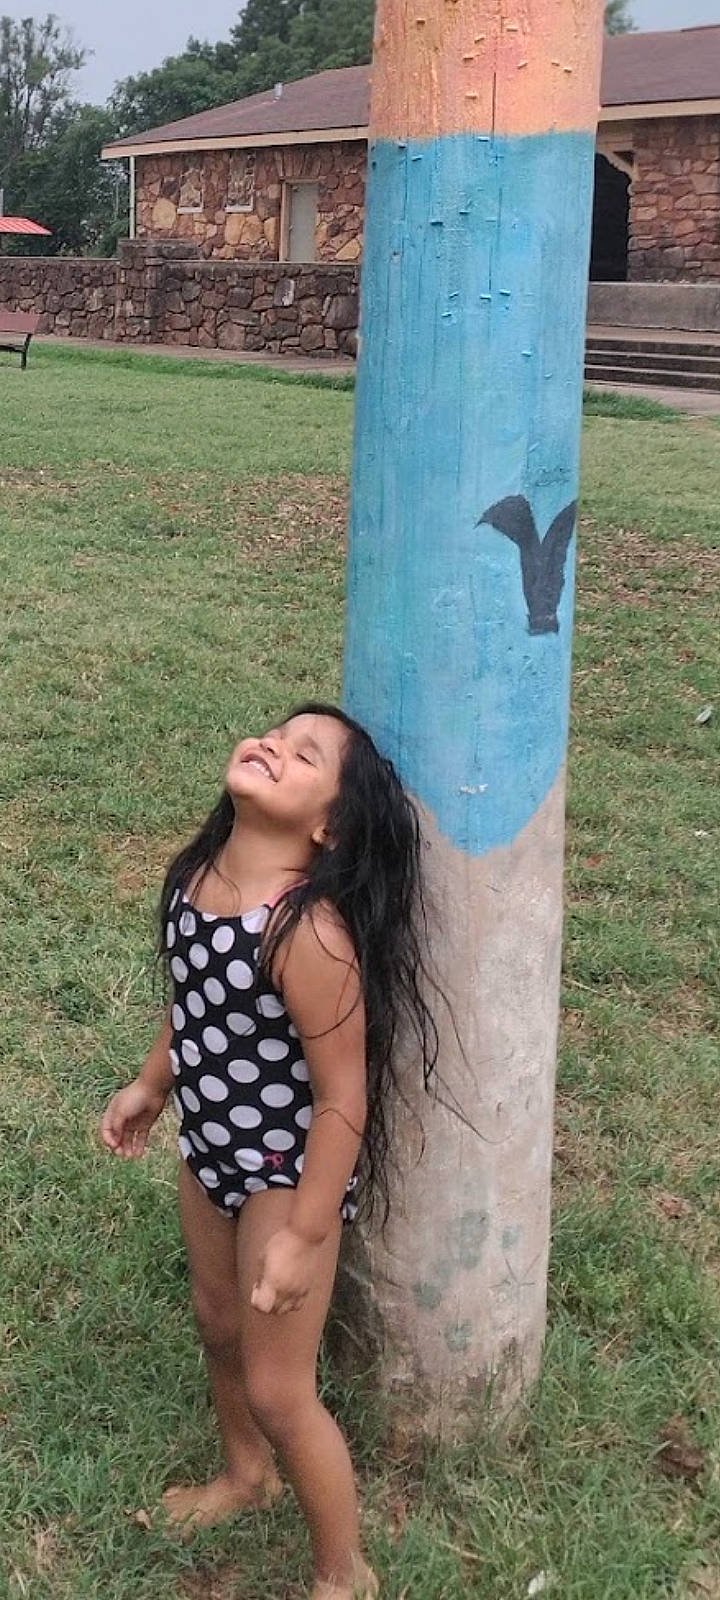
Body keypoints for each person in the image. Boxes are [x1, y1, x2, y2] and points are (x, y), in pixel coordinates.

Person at [100, 703, 439, 1600]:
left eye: (304, 755)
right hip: (208, 1144)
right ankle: (246, 1478)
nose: (273, 748)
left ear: (330, 826)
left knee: (279, 1390)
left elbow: (343, 1098)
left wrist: (305, 1233)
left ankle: (342, 1572)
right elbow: (195, 1002)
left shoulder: (307, 933)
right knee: (217, 1322)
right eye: (275, 736)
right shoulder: (199, 876)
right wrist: (151, 1084)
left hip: (286, 1176)